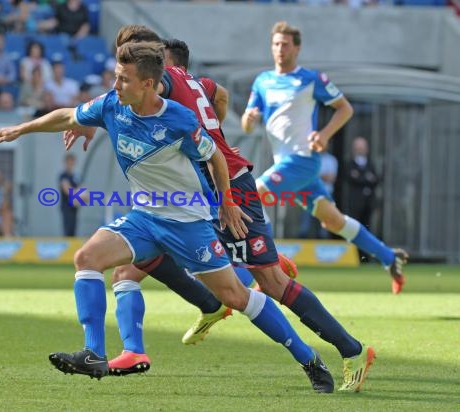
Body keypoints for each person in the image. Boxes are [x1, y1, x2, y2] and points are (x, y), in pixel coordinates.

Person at [0, 41, 335, 393]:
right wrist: (21, 129)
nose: (115, 85)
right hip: (145, 218)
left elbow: (214, 156)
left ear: (148, 84)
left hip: (188, 223)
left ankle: (309, 359)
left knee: (236, 297)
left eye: (123, 79)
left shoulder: (178, 120)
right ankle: (94, 352)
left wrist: (227, 202)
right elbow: (68, 115)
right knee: (87, 258)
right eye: (116, 77)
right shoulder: (112, 105)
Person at [64, 26, 375, 393]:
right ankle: (142, 344)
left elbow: (134, 103)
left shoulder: (158, 88)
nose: (120, 78)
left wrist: (213, 146)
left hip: (227, 185)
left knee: (272, 282)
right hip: (188, 194)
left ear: (150, 68)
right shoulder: (193, 79)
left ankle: (350, 349)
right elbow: (219, 95)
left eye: (126, 67)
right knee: (128, 270)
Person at [241, 21, 407, 295]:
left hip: (302, 161)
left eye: (285, 44)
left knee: (253, 195)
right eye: (275, 44)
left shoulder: (312, 79)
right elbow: (248, 127)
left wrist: (325, 134)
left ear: (297, 48)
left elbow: (345, 108)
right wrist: (248, 119)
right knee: (333, 221)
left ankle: (266, 270)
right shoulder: (263, 81)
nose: (279, 49)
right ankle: (390, 257)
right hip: (285, 163)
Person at [346, 136, 380, 259]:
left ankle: (366, 256)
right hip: (356, 203)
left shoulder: (370, 163)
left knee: (368, 228)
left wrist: (361, 177)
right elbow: (352, 179)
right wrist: (366, 178)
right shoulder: (350, 163)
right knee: (354, 228)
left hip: (368, 202)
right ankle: (353, 255)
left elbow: (376, 179)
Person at [298, 150, 338, 239]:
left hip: (326, 194)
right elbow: (305, 175)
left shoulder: (331, 160)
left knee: (325, 219)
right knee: (306, 219)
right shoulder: (307, 158)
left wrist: (314, 175)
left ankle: (323, 239)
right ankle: (303, 238)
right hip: (308, 193)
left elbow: (330, 178)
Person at [59, 153, 80, 237]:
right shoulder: (63, 176)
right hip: (66, 207)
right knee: (67, 229)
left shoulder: (76, 177)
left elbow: (84, 193)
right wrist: (78, 193)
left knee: (73, 230)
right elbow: (67, 190)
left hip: (74, 207)